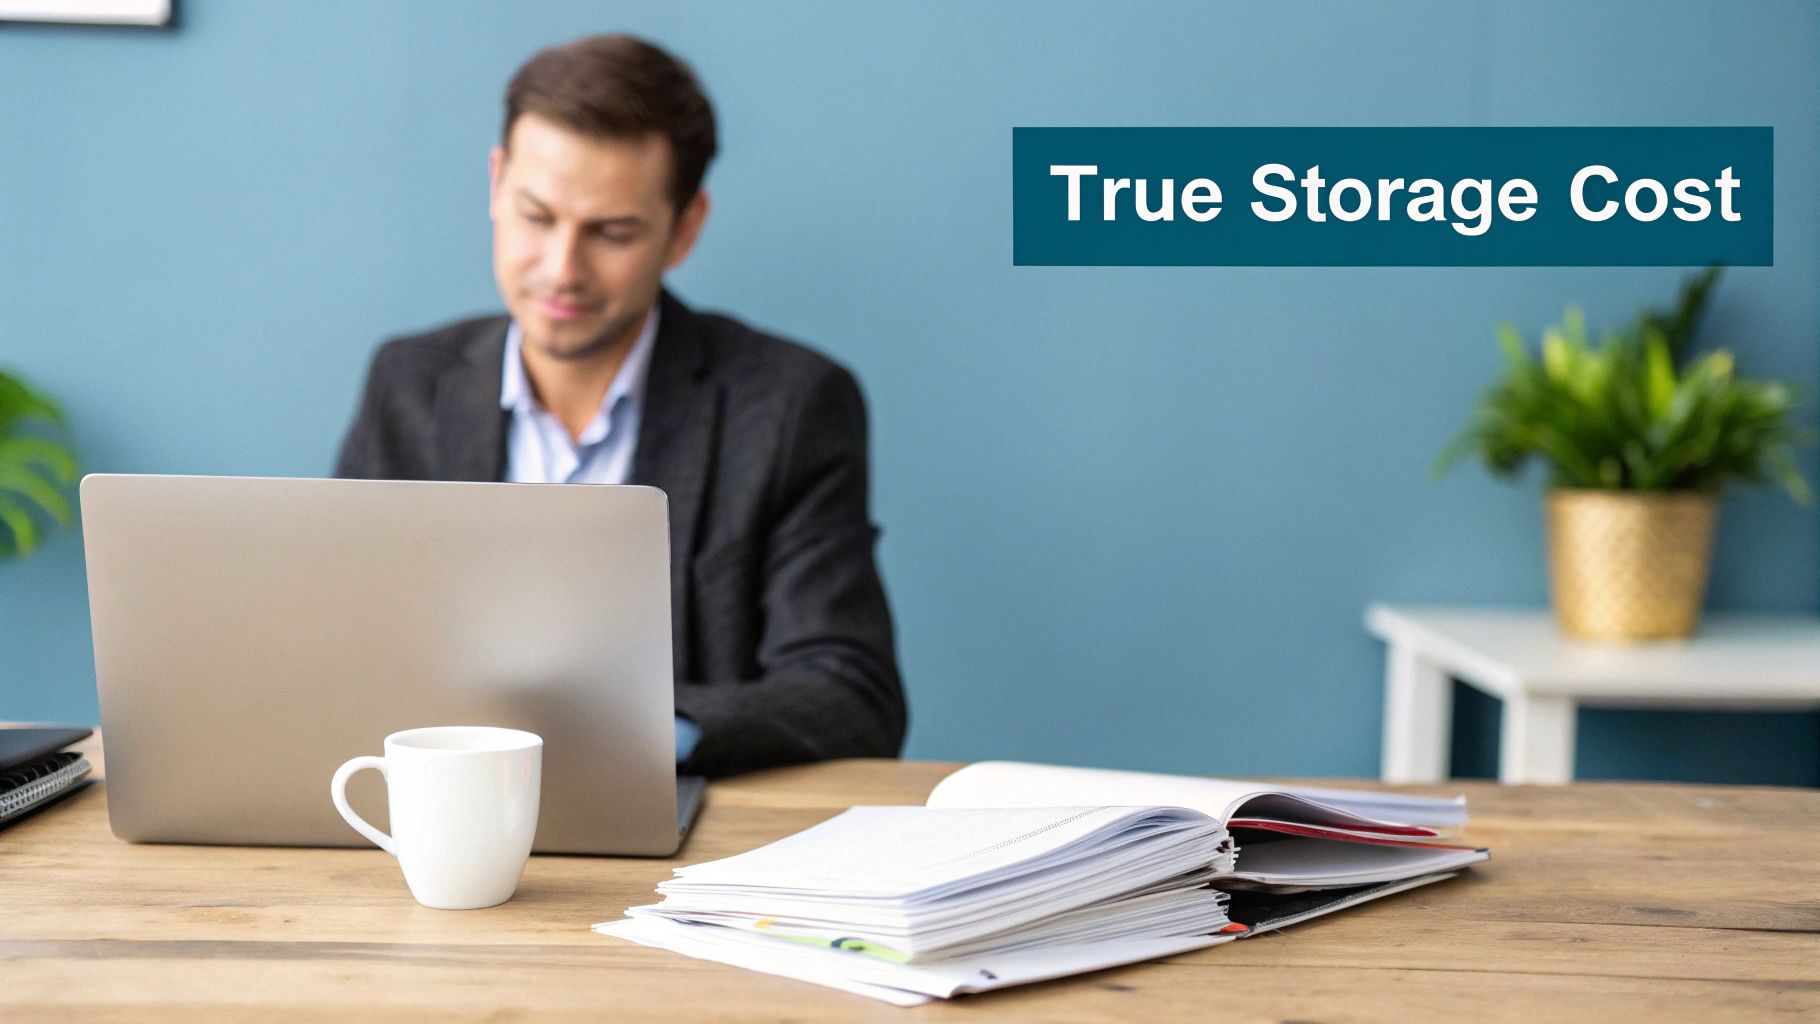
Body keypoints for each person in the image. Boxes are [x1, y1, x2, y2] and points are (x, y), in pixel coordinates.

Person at [334, 34, 905, 777]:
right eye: (537, 216)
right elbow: (342, 642)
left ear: (685, 228)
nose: (561, 270)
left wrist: (644, 742)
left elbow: (848, 692)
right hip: (438, 811)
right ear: (496, 182)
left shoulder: (792, 405)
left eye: (611, 233)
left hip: (679, 829)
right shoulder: (407, 384)